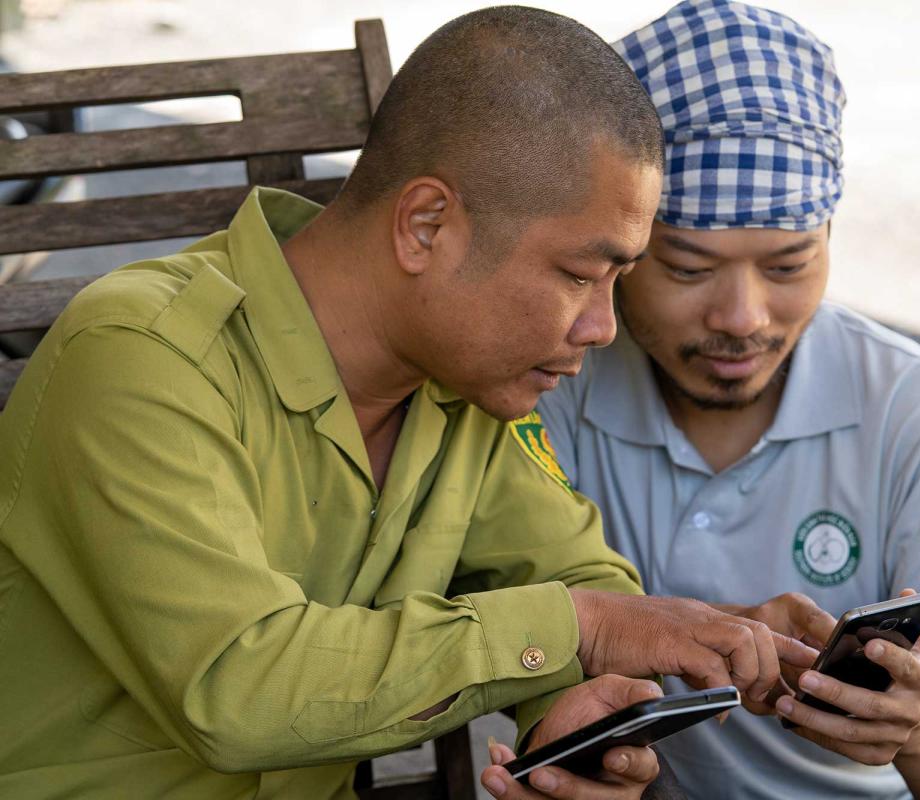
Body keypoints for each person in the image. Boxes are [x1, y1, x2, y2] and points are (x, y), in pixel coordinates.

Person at [0, 8, 810, 799]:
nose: (602, 327)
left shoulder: (465, 388)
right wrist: (580, 631)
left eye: (617, 282)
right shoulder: (143, 355)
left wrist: (563, 709)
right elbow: (238, 688)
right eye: (577, 274)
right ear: (427, 225)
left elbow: (575, 571)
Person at [537, 1, 920, 797]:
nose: (742, 319)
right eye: (691, 269)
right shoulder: (549, 387)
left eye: (788, 264)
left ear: (831, 237)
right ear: (620, 247)